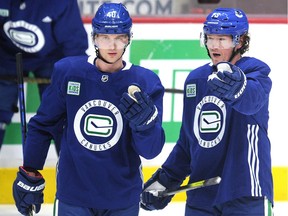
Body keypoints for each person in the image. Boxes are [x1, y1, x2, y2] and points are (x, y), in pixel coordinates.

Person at [12, 2, 165, 216]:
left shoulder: (146, 82)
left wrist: (145, 127)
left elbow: (151, 151)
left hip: (122, 197)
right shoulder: (69, 72)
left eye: (119, 37)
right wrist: (30, 169)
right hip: (74, 195)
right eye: (105, 37)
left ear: (128, 38)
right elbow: (43, 125)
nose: (112, 46)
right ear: (94, 38)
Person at [141, 7, 274, 215]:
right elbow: (187, 142)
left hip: (245, 192)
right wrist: (165, 181)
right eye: (210, 38)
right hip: (201, 197)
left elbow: (252, 101)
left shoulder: (255, 72)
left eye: (222, 39)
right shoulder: (196, 80)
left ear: (239, 42)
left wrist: (238, 88)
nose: (214, 45)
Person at [0, 0, 88, 154]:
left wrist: (77, 74)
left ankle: (70, 170)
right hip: (7, 57)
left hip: (52, 58)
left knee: (63, 115)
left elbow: (74, 43)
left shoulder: (60, 3)